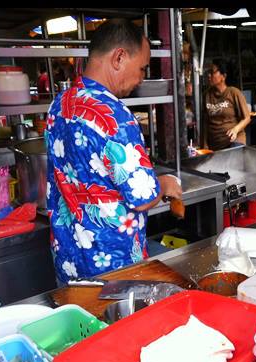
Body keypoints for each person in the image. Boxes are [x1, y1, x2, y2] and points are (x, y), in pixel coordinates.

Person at [45, 19, 182, 284]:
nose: (141, 78)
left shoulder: (59, 104)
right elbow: (142, 198)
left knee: (83, 325)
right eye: (142, 68)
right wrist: (164, 184)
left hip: (69, 261)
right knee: (119, 326)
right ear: (119, 57)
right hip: (114, 269)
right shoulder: (115, 116)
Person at [203, 58, 251, 151]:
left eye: (212, 72)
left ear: (223, 76)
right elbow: (205, 123)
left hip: (234, 142)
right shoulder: (206, 95)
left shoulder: (234, 92)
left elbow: (247, 118)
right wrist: (205, 146)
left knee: (231, 161)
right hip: (215, 145)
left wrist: (235, 130)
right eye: (208, 72)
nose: (209, 75)